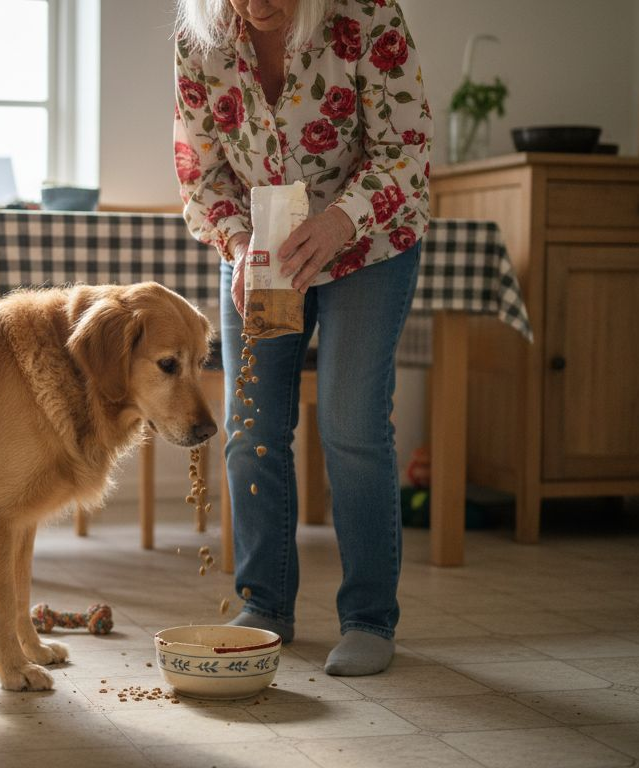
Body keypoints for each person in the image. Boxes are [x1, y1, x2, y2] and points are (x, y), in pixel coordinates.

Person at [173, 0, 431, 676]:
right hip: (266, 252)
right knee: (252, 422)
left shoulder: (367, 16)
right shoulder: (199, 43)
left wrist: (341, 222)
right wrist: (236, 243)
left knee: (351, 422)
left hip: (366, 243)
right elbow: (202, 176)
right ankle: (264, 605)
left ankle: (370, 619)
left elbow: (405, 151)